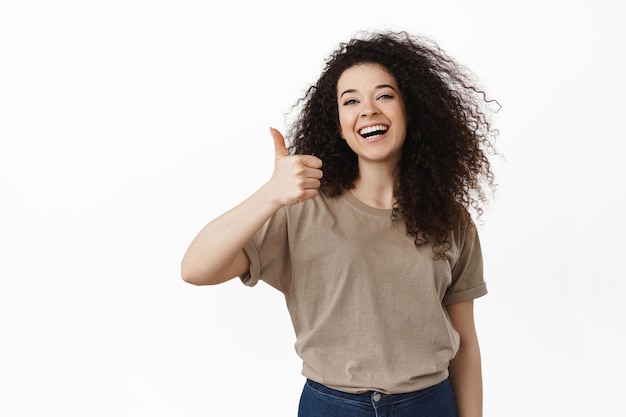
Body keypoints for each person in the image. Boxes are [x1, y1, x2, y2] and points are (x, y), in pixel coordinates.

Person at [181, 30, 498, 417]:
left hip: (430, 404)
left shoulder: (450, 219)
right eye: (351, 101)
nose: (368, 110)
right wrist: (271, 194)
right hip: (332, 406)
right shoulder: (301, 209)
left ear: (411, 109)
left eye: (384, 95)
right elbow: (195, 269)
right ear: (339, 123)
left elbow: (465, 342)